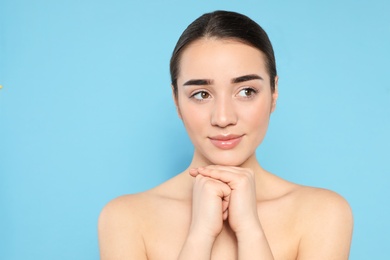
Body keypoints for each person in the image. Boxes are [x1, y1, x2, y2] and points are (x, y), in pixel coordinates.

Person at [98, 10, 353, 259]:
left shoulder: (323, 214)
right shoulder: (126, 219)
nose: (223, 118)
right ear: (176, 100)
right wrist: (200, 236)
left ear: (274, 93)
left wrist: (250, 231)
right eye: (201, 94)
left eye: (246, 91)